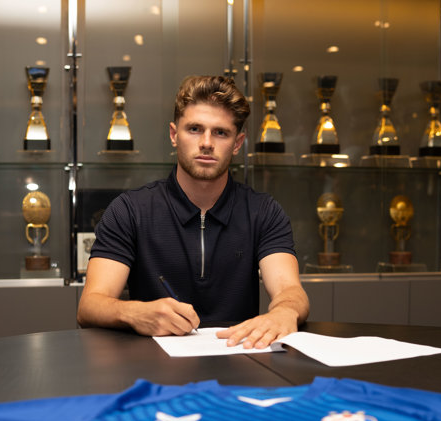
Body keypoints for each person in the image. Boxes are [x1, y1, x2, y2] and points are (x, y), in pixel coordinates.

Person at [77, 75, 309, 349]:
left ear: (237, 143)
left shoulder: (263, 211)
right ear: (174, 135)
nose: (207, 143)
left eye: (220, 132)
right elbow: (90, 305)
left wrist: (285, 311)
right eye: (195, 129)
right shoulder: (129, 210)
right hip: (151, 363)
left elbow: (289, 290)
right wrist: (134, 312)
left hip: (239, 356)